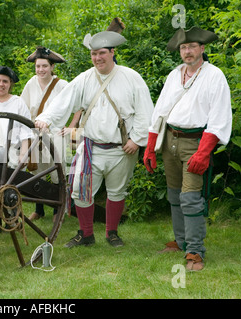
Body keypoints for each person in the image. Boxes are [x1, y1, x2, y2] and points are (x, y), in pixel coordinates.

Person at [35, 26, 154, 248]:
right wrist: (46, 118)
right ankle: (86, 234)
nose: (97, 58)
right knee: (80, 191)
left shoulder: (132, 78)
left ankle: (112, 233)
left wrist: (136, 140)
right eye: (93, 53)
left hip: (121, 149)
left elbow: (145, 111)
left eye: (102, 52)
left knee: (117, 192)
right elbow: (63, 102)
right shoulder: (84, 79)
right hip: (90, 147)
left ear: (112, 52)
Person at [143, 27, 232, 271]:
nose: (187, 51)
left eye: (192, 46)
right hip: (170, 139)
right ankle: (180, 241)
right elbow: (160, 111)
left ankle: (195, 251)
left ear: (202, 48)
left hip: (196, 142)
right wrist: (151, 147)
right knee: (174, 195)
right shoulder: (174, 75)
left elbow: (219, 118)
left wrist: (204, 153)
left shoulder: (215, 76)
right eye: (183, 47)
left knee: (191, 198)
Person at [21, 46, 75, 222]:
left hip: (56, 134)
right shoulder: (31, 83)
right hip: (36, 132)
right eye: (38, 66)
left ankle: (57, 210)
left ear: (52, 67)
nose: (41, 70)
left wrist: (71, 127)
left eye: (44, 66)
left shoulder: (63, 85)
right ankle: (39, 209)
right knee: (37, 172)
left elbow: (78, 108)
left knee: (57, 173)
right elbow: (23, 107)